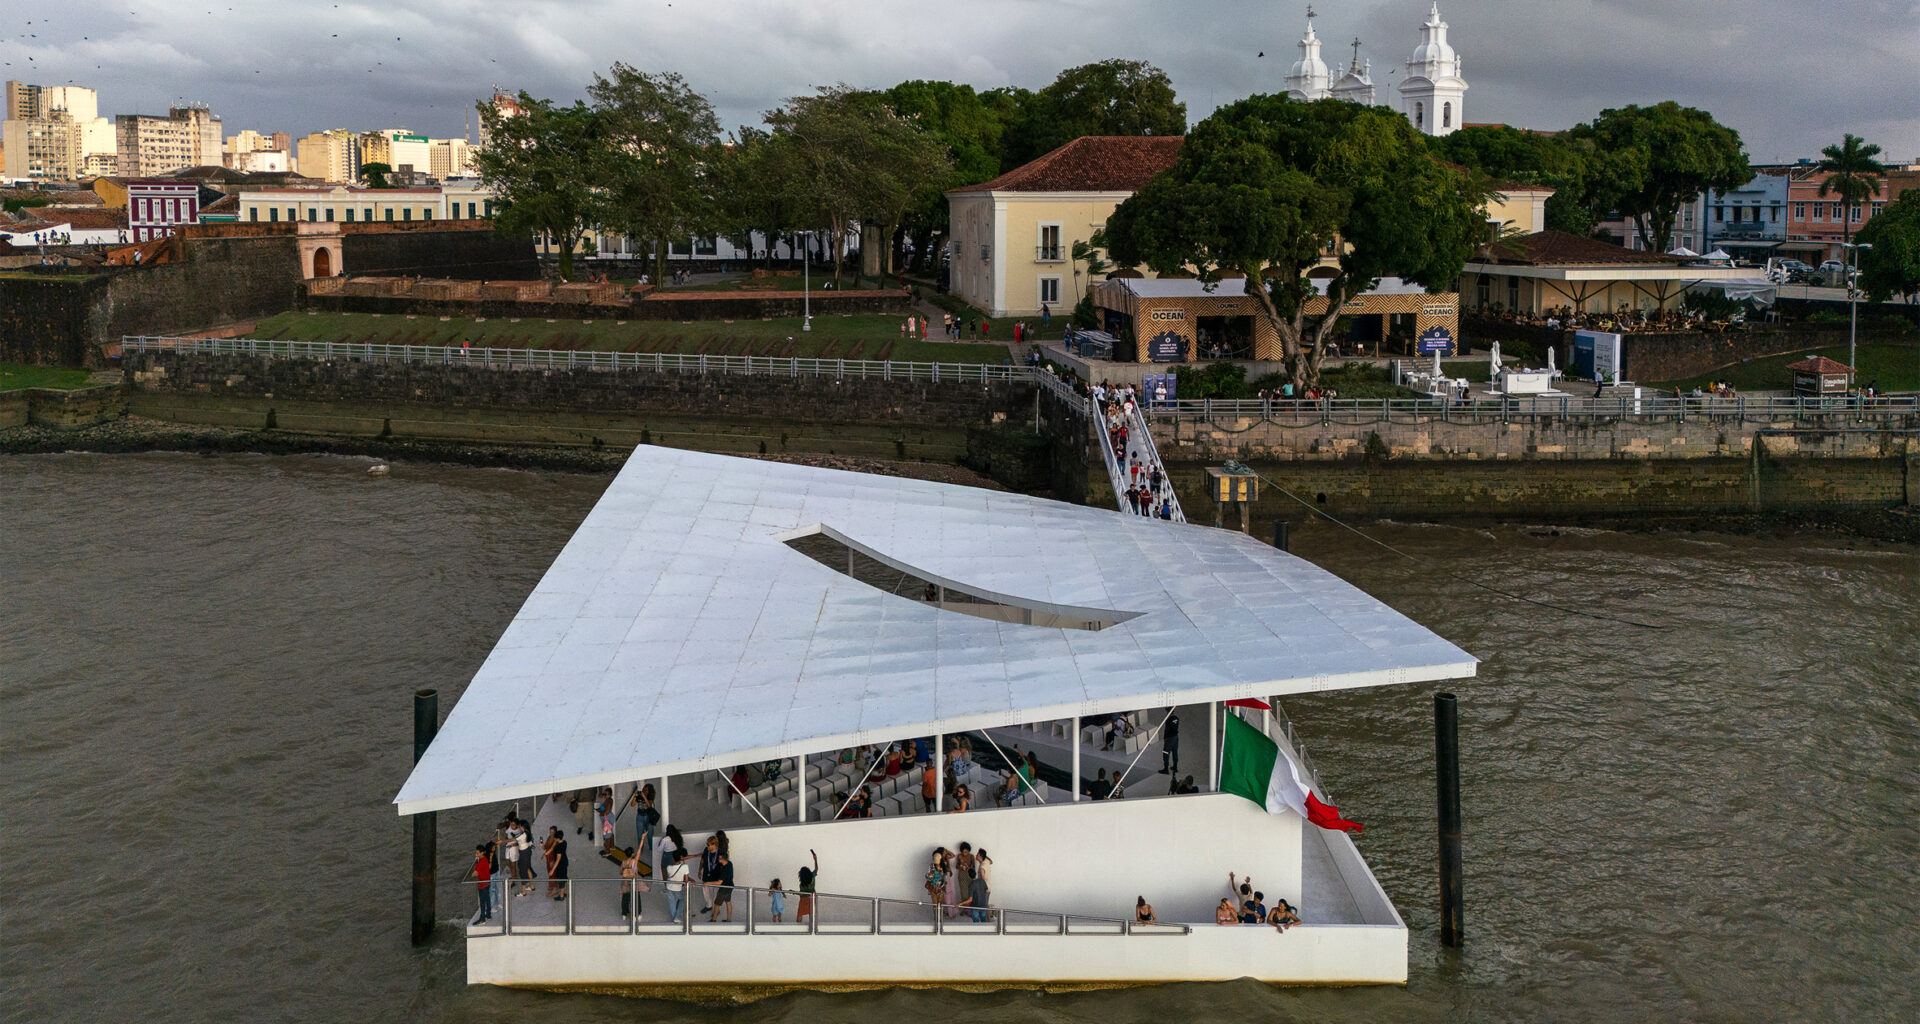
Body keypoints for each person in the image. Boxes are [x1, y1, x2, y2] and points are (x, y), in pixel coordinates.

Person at [664, 849, 691, 923]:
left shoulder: (668, 867)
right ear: (681, 858)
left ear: (673, 858)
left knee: (672, 903)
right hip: (678, 888)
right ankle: (677, 917)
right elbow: (686, 880)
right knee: (683, 899)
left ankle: (674, 919)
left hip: (669, 887)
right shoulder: (685, 867)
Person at [708, 852, 735, 923]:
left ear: (723, 859)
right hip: (730, 886)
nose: (718, 859)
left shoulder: (724, 869)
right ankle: (729, 919)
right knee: (728, 902)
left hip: (724, 887)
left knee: (717, 903)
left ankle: (714, 919)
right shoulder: (729, 863)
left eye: (719, 858)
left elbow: (719, 882)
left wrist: (708, 883)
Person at [545, 827, 569, 901]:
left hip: (560, 864)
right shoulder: (564, 842)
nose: (554, 839)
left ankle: (561, 896)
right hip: (565, 862)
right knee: (564, 877)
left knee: (561, 879)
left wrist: (552, 870)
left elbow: (558, 859)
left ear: (558, 838)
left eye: (555, 838)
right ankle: (564, 892)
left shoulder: (558, 847)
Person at [620, 847, 644, 920]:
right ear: (632, 854)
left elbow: (620, 872)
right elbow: (639, 851)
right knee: (636, 897)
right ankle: (638, 914)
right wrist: (642, 841)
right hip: (633, 881)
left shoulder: (623, 862)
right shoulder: (634, 861)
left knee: (625, 897)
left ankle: (624, 914)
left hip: (625, 882)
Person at [797, 850, 819, 927]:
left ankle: (797, 927)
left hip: (804, 899)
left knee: (800, 914)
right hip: (812, 897)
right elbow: (816, 869)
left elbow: (801, 894)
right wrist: (815, 859)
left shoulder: (802, 885)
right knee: (811, 913)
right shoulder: (812, 876)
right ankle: (812, 927)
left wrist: (794, 892)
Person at [473, 845, 494, 924]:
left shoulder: (480, 863)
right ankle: (488, 915)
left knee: (482, 902)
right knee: (487, 899)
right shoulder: (485, 859)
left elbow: (474, 874)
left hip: (482, 884)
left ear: (482, 853)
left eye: (477, 853)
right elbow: (488, 868)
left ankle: (482, 918)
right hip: (487, 882)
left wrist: (476, 864)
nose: (476, 855)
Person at [1160, 709, 1180, 775]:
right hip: (1176, 737)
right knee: (1175, 751)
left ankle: (1166, 769)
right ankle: (1175, 767)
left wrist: (1165, 738)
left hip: (1169, 738)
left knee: (1165, 752)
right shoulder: (1176, 718)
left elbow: (1167, 730)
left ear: (1168, 712)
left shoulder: (1168, 720)